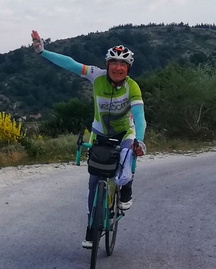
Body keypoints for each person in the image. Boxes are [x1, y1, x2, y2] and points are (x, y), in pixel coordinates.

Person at [31, 30, 146, 249]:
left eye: (123, 64)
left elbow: (139, 116)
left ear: (128, 68)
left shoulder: (132, 87)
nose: (118, 67)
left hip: (124, 132)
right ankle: (92, 228)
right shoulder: (96, 76)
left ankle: (126, 189)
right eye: (114, 63)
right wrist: (42, 52)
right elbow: (71, 64)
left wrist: (139, 141)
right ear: (107, 65)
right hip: (99, 132)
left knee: (128, 153)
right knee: (94, 182)